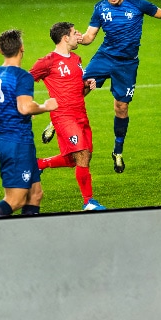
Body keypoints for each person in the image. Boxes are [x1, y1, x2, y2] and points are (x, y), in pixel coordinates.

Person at [78, 0, 161, 173]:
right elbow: (89, 36)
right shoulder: (100, 8)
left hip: (127, 65)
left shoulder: (137, 4)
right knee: (81, 87)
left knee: (121, 107)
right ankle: (56, 119)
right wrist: (78, 39)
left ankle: (117, 151)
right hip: (105, 57)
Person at [0, 29, 57, 217]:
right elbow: (25, 108)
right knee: (15, 200)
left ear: (0, 50)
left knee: (35, 195)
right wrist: (45, 106)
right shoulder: (22, 76)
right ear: (22, 48)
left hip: (12, 142)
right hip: (17, 144)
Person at [31, 21, 105, 211]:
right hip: (63, 116)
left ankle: (39, 163)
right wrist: (27, 105)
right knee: (81, 154)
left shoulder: (77, 59)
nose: (77, 35)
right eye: (74, 33)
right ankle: (89, 202)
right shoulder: (47, 61)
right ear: (65, 38)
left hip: (81, 113)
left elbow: (78, 88)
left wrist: (88, 84)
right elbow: (25, 79)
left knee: (80, 158)